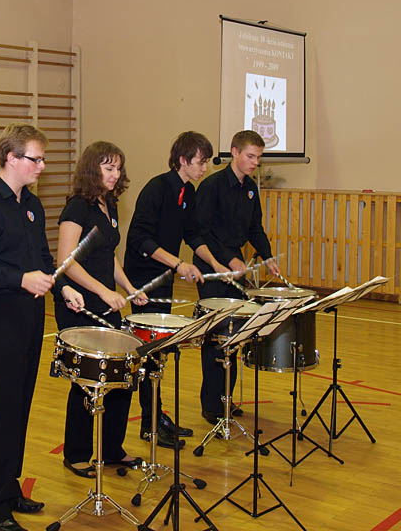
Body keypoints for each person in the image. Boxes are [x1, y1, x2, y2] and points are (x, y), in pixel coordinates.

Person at [0, 123, 84, 531]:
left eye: (43, 159)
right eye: (35, 159)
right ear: (11, 158)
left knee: (20, 407)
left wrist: (61, 287)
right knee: (4, 409)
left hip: (28, 318)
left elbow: (41, 257)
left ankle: (9, 489)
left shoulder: (31, 205)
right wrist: (20, 279)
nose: (41, 166)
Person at [123, 131, 231, 447]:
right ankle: (150, 422)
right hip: (143, 280)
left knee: (160, 352)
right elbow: (139, 238)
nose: (205, 168)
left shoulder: (189, 192)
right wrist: (178, 264)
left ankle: (154, 416)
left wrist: (216, 264)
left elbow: (193, 235)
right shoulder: (156, 189)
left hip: (164, 277)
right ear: (182, 160)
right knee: (149, 352)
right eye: (200, 162)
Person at [54, 141, 147, 478]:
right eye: (109, 168)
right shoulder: (77, 208)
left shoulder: (109, 204)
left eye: (118, 168)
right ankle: (77, 454)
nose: (115, 174)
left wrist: (128, 288)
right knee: (86, 381)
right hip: (79, 305)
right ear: (92, 169)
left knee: (121, 377)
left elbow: (109, 256)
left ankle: (111, 449)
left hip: (105, 302)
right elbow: (66, 261)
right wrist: (104, 291)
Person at [193, 130, 281, 423]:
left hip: (236, 269)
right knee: (216, 337)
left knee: (234, 336)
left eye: (258, 158)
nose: (255, 162)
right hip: (212, 270)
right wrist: (227, 258)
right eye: (250, 156)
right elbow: (201, 232)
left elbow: (255, 227)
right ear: (234, 152)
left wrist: (267, 256)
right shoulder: (212, 186)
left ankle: (225, 400)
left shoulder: (251, 189)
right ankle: (211, 405)